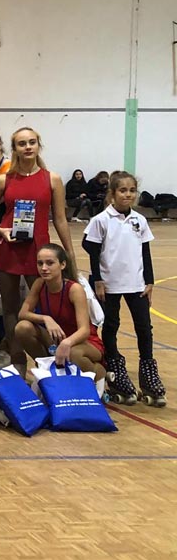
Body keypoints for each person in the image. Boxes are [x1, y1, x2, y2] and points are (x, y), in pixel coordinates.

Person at [0, 127, 73, 366]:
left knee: (45, 306)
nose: (28, 147)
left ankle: (50, 359)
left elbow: (60, 219)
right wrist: (0, 229)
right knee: (10, 307)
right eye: (22, 144)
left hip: (39, 251)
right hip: (8, 248)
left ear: (38, 145)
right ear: (15, 149)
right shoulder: (4, 179)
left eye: (32, 142)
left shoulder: (52, 179)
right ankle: (17, 359)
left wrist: (69, 254)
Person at [83, 171, 162, 405]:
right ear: (112, 194)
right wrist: (97, 279)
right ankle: (115, 371)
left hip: (136, 283)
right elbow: (91, 248)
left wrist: (150, 281)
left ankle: (148, 374)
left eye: (131, 190)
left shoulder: (140, 219)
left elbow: (145, 252)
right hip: (109, 284)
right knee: (111, 326)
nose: (128, 195)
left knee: (144, 328)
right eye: (122, 190)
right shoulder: (101, 220)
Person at [15, 244, 104, 381]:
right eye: (40, 263)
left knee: (73, 354)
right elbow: (23, 314)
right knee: (23, 328)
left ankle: (99, 375)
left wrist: (67, 343)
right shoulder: (40, 284)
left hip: (84, 342)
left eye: (50, 263)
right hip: (57, 339)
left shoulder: (74, 289)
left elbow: (84, 330)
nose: (44, 268)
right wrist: (45, 319)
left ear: (62, 265)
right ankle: (47, 370)